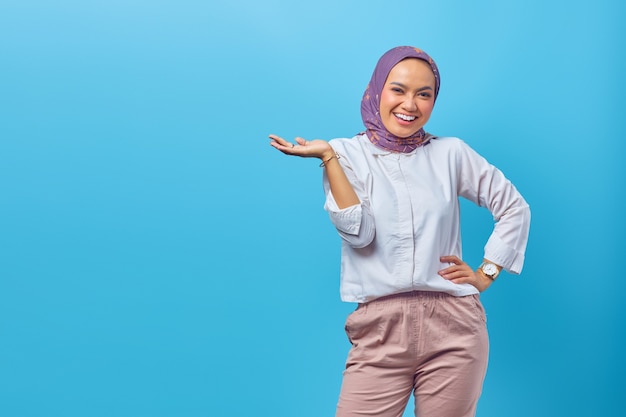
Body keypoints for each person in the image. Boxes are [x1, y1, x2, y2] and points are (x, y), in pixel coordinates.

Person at [268, 46, 530, 417]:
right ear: (377, 90)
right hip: (380, 329)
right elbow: (359, 234)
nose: (410, 104)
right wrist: (328, 158)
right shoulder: (344, 153)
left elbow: (514, 206)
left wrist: (486, 273)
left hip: (454, 327)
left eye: (424, 94)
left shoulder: (451, 153)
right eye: (398, 89)